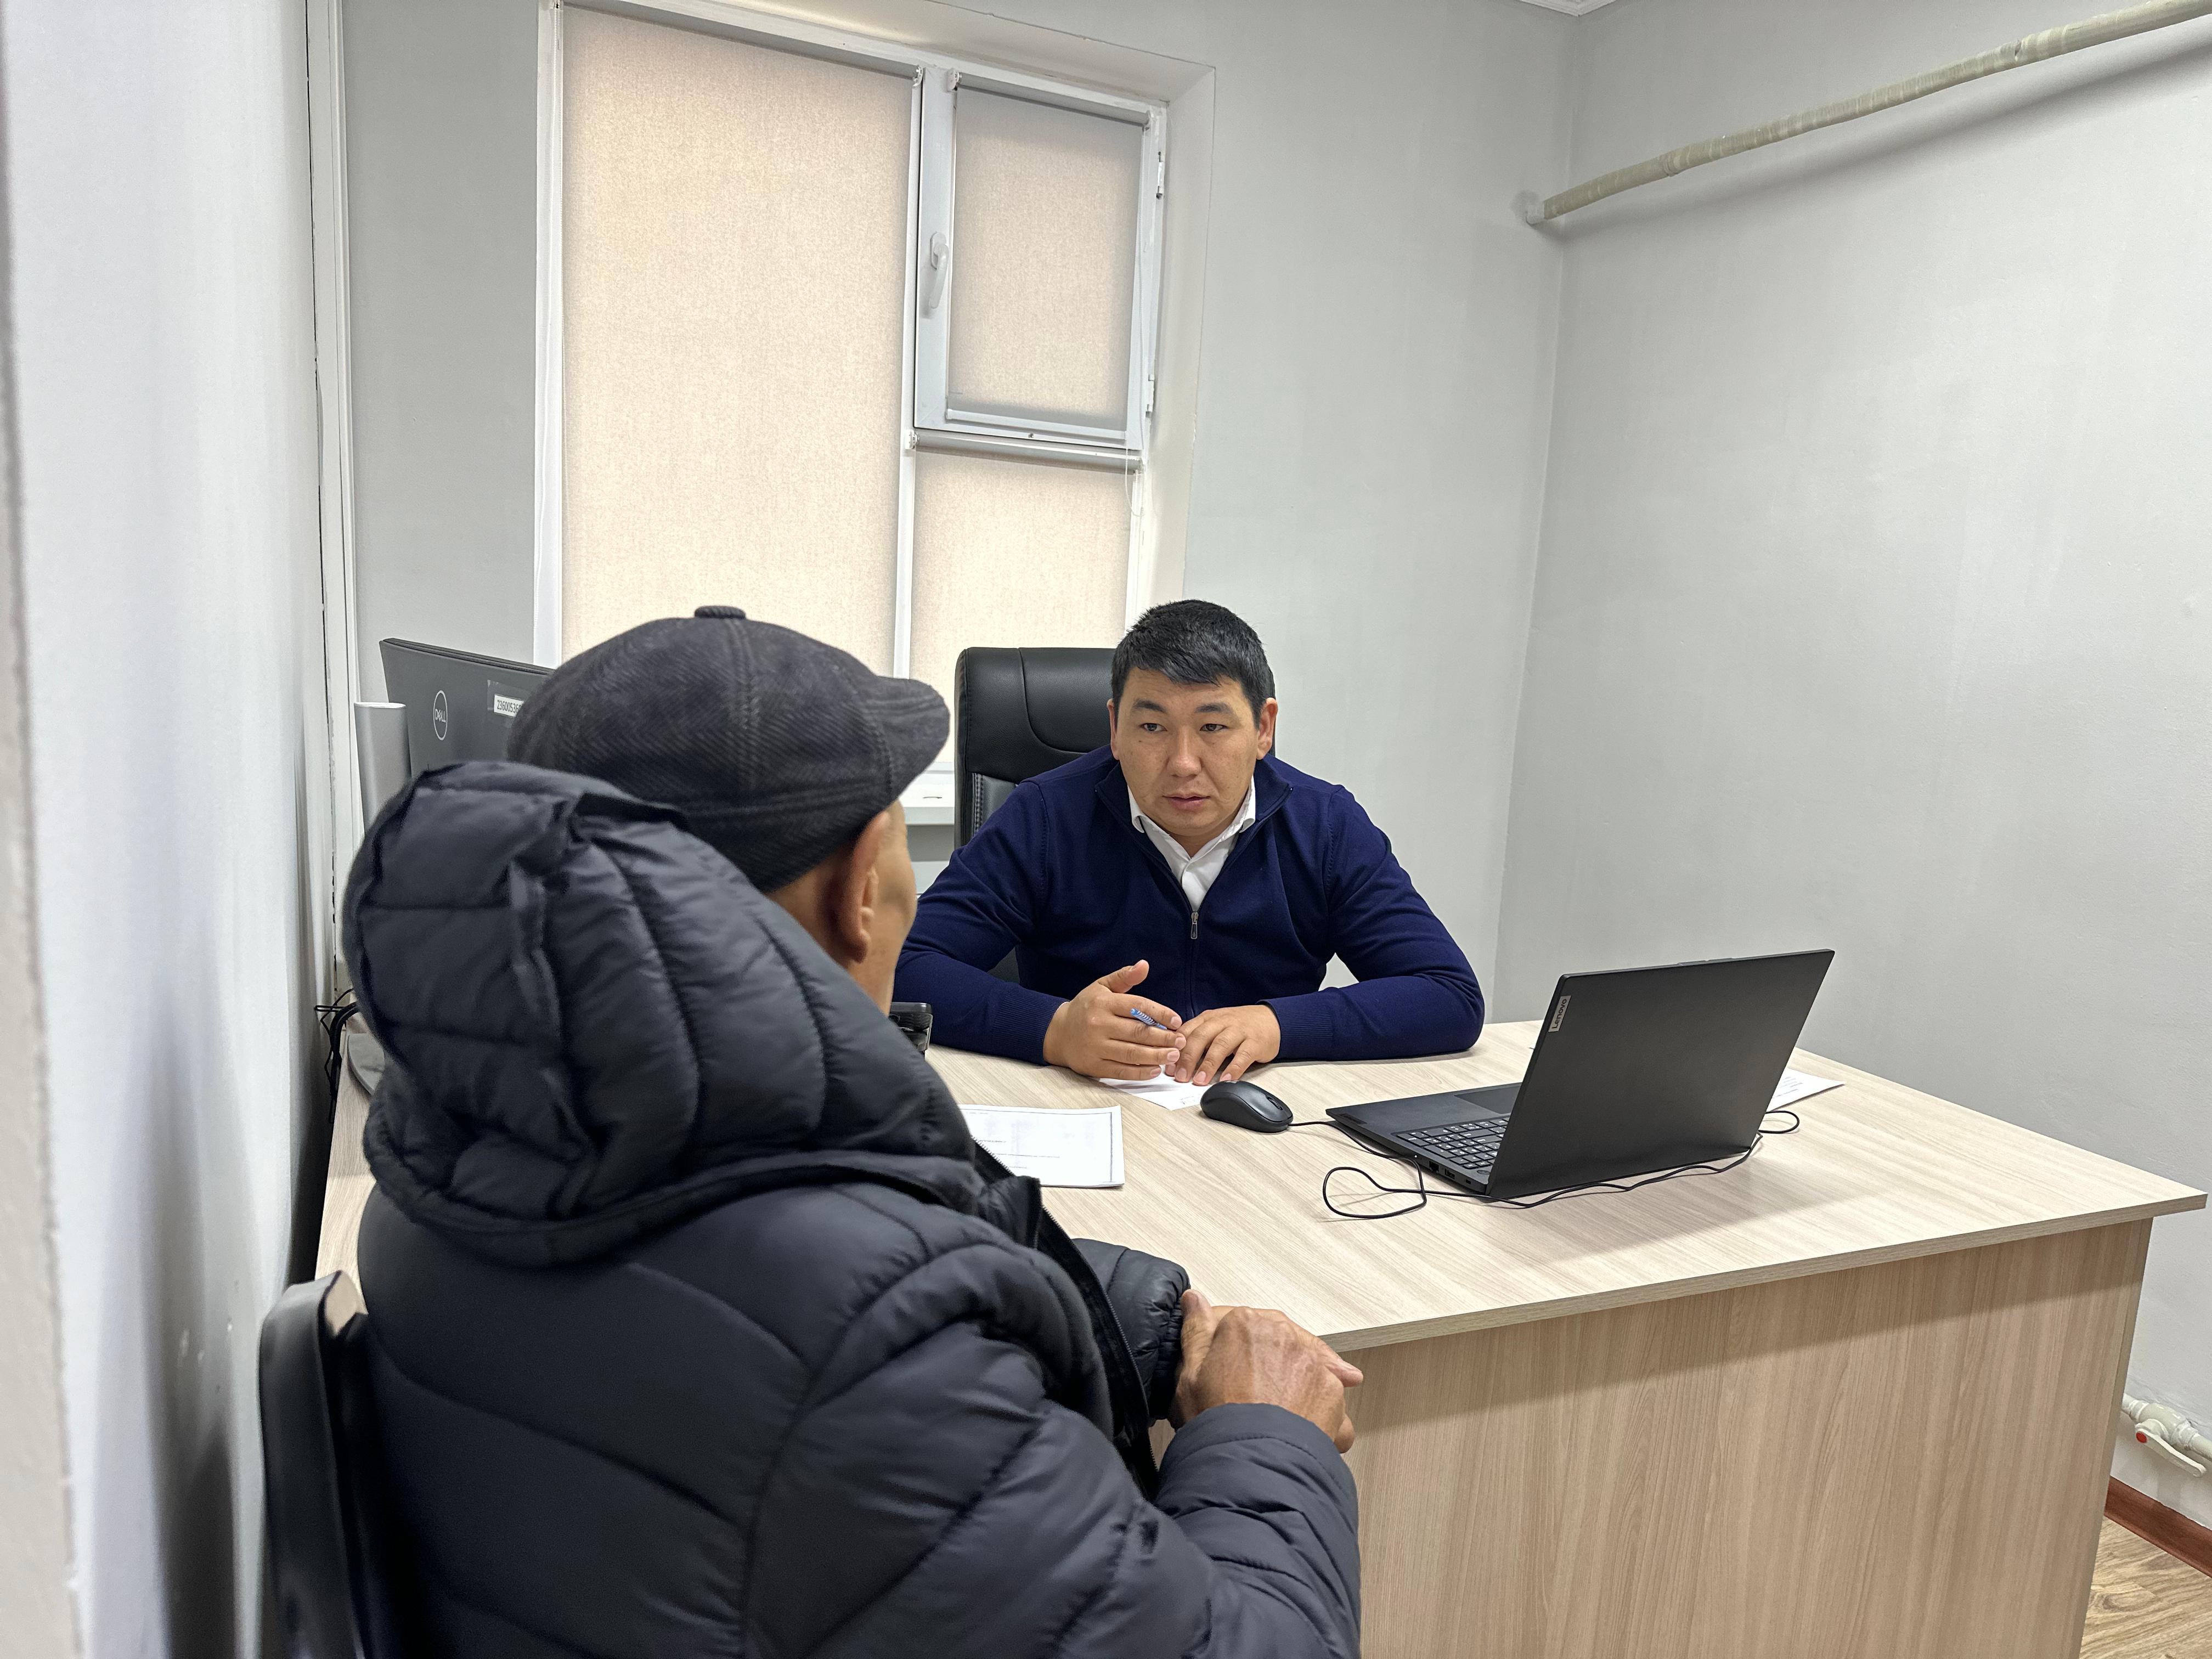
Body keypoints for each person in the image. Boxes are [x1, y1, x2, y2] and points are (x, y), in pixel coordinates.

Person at [344, 605, 1363, 1658]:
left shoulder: (446, 1140)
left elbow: (799, 1276)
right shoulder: (875, 1355)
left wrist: (1128, 1314)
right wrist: (1265, 1433)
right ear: (857, 891)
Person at [896, 600, 1483, 1086]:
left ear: (1263, 728)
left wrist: (1277, 1025)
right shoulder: (1046, 816)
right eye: (1152, 727)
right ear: (1115, 729)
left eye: (1213, 726)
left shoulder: (1325, 825)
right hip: (1087, 1106)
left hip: (1259, 1117)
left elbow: (1448, 994)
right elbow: (901, 967)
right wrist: (1055, 1029)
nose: (1182, 763)